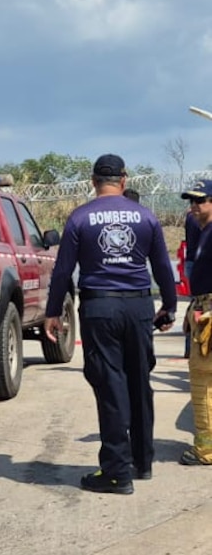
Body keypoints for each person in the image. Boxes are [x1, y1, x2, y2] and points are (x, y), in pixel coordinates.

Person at [44, 154, 176, 495]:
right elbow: (162, 267)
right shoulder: (146, 216)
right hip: (138, 305)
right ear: (124, 179)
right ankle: (142, 461)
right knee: (139, 382)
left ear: (92, 181)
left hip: (100, 306)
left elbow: (63, 271)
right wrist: (170, 307)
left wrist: (53, 310)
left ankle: (117, 472)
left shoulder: (81, 217)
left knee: (110, 385)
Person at [179, 180, 212, 466]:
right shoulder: (202, 231)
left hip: (209, 313)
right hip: (202, 307)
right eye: (191, 201)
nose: (194, 206)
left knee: (204, 383)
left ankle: (206, 450)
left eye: (200, 201)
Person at [184, 210, 201, 357]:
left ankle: (189, 348)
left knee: (196, 304)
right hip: (200, 264)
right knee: (201, 306)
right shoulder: (201, 218)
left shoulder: (190, 216)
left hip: (191, 261)